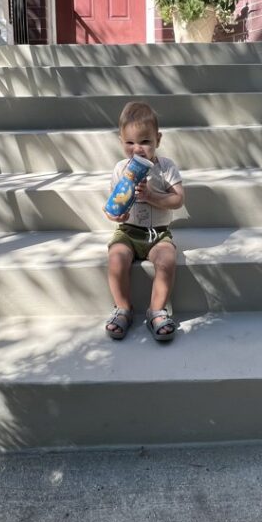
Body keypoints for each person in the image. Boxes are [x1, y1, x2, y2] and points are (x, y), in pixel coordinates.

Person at [103, 101, 184, 342]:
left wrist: (151, 196)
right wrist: (115, 215)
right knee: (116, 257)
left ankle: (156, 311)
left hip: (158, 234)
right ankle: (123, 309)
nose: (137, 149)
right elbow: (111, 205)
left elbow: (178, 200)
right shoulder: (120, 169)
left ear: (157, 140)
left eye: (145, 142)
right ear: (121, 141)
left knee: (167, 260)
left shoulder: (166, 167)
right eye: (130, 142)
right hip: (128, 231)